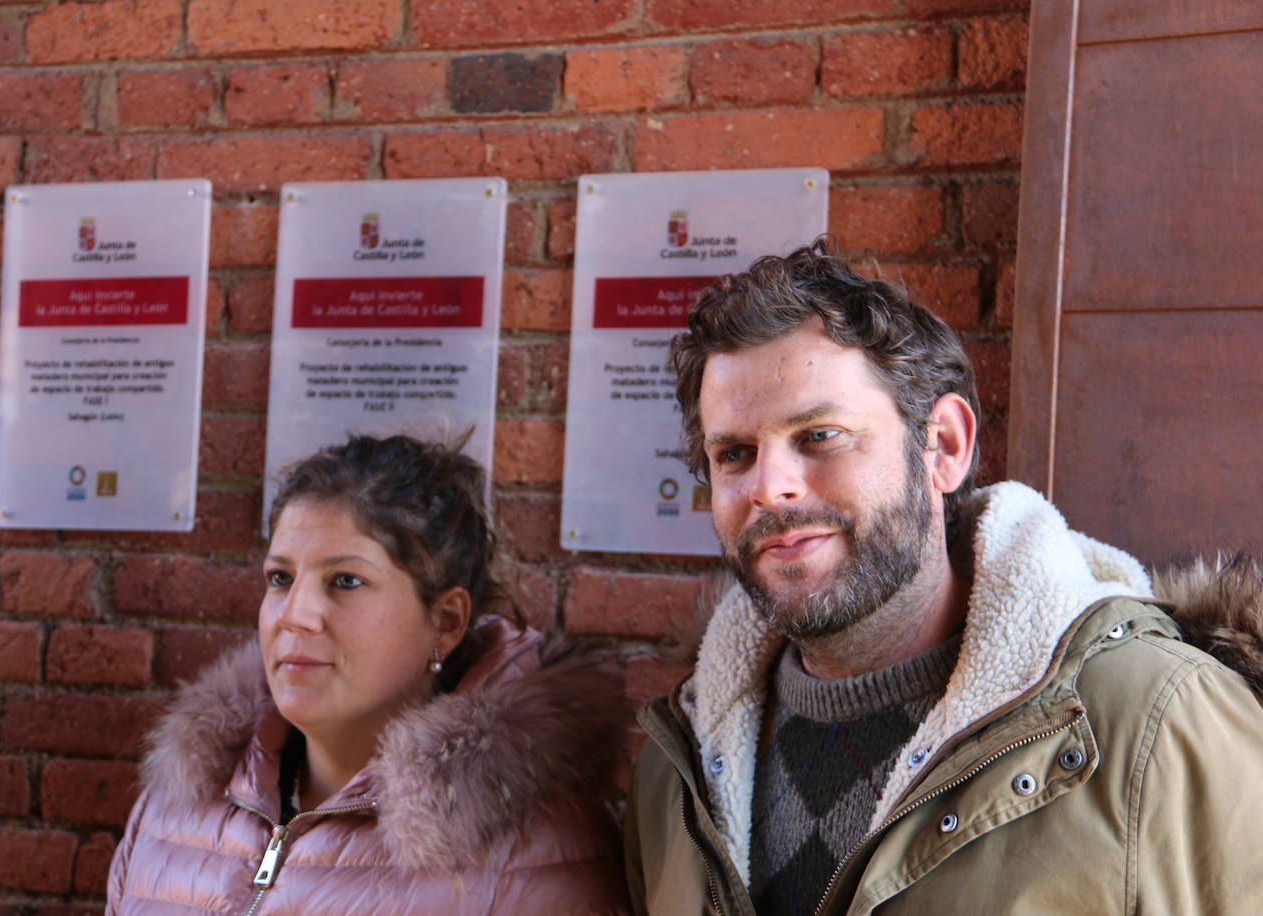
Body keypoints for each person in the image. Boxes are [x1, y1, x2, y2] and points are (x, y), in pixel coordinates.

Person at [624, 238, 1263, 915]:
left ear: (945, 447)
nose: (769, 487)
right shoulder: (677, 771)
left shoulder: (1162, 721)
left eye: (818, 436)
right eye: (734, 453)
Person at [108, 434, 631, 915]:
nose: (294, 613)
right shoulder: (176, 803)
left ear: (445, 622)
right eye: (280, 577)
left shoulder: (536, 851)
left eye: (346, 580)